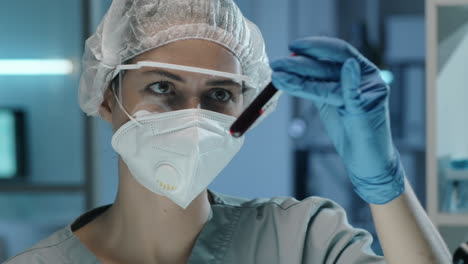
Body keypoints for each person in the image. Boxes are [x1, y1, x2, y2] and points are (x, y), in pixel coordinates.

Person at [5, 0, 452, 263]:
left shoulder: (301, 239)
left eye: (220, 94)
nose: (194, 115)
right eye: (163, 87)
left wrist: (384, 184)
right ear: (106, 97)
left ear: (249, 108)